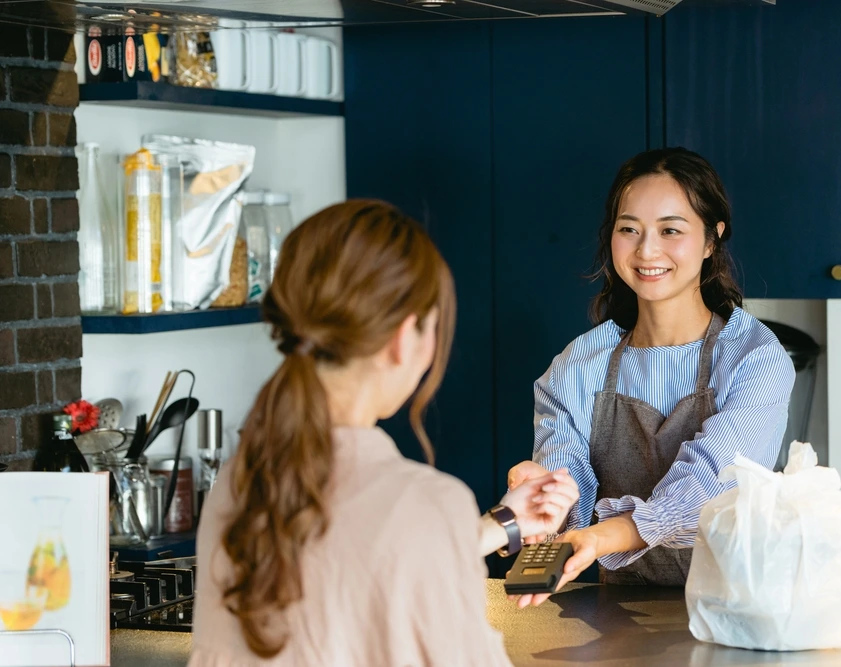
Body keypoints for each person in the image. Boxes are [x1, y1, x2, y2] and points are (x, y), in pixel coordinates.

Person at [189, 200, 579, 666]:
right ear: (402, 336)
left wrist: (504, 523)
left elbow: (350, 563)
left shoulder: (237, 484)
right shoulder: (426, 502)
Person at [508, 147, 795, 603]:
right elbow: (572, 490)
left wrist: (605, 537)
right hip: (618, 614)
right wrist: (550, 496)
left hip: (739, 610)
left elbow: (710, 487)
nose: (646, 251)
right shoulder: (577, 366)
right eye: (629, 230)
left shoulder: (754, 357)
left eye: (670, 230)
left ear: (711, 240)